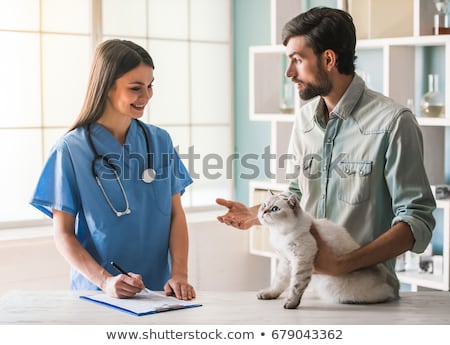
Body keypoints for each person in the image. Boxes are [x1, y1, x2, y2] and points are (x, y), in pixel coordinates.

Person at [217, 7, 436, 280]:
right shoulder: (304, 120)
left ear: (329, 59)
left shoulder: (393, 122)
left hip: (365, 297)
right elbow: (299, 192)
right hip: (305, 289)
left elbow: (417, 220)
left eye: (297, 59)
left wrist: (344, 263)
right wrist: (254, 214)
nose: (288, 72)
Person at [30, 39, 196, 300]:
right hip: (98, 294)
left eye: (150, 86)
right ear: (107, 87)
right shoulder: (71, 150)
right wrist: (105, 281)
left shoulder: (159, 141)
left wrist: (180, 274)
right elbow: (63, 233)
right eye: (135, 88)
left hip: (159, 292)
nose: (147, 96)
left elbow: (176, 214)